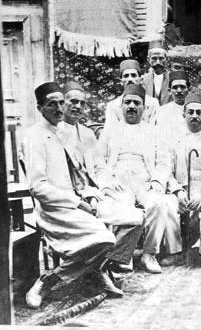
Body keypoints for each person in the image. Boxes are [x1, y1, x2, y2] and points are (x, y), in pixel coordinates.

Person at [24, 83, 127, 309]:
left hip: (78, 202)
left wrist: (90, 195)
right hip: (54, 209)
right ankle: (47, 281)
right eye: (52, 104)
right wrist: (77, 202)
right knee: (105, 240)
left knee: (124, 223)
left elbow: (80, 172)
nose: (60, 108)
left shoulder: (63, 131)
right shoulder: (35, 136)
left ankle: (94, 273)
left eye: (62, 102)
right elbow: (37, 187)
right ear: (40, 107)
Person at [58, 81, 144, 272]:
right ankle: (96, 266)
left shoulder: (87, 134)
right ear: (61, 103)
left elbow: (99, 168)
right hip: (70, 199)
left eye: (82, 103)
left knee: (136, 216)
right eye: (72, 101)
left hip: (92, 192)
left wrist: (107, 186)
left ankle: (109, 262)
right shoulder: (54, 134)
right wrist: (85, 197)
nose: (77, 106)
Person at [99, 84, 177, 274]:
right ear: (121, 106)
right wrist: (107, 183)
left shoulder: (154, 131)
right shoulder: (109, 131)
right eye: (128, 102)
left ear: (144, 107)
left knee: (159, 204)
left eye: (136, 103)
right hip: (118, 182)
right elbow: (98, 162)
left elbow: (165, 161)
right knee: (122, 207)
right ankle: (123, 255)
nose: (132, 106)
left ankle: (149, 254)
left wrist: (158, 181)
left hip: (145, 182)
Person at [165, 93, 201, 267]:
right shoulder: (173, 141)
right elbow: (166, 172)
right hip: (181, 189)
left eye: (199, 112)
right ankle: (174, 252)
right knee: (168, 205)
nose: (194, 116)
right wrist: (177, 191)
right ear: (183, 115)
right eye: (190, 112)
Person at [105, 59, 160, 128]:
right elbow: (110, 131)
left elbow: (155, 129)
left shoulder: (153, 103)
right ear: (121, 81)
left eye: (133, 75)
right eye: (126, 76)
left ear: (140, 79)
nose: (130, 79)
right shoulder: (112, 106)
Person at [156, 70, 190, 140]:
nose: (179, 91)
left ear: (189, 89)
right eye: (175, 87)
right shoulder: (162, 111)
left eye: (182, 87)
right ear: (169, 91)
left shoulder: (195, 110)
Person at [141, 39, 171, 105]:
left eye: (161, 58)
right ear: (148, 59)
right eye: (154, 58)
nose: (158, 62)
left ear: (166, 59)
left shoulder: (172, 79)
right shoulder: (142, 81)